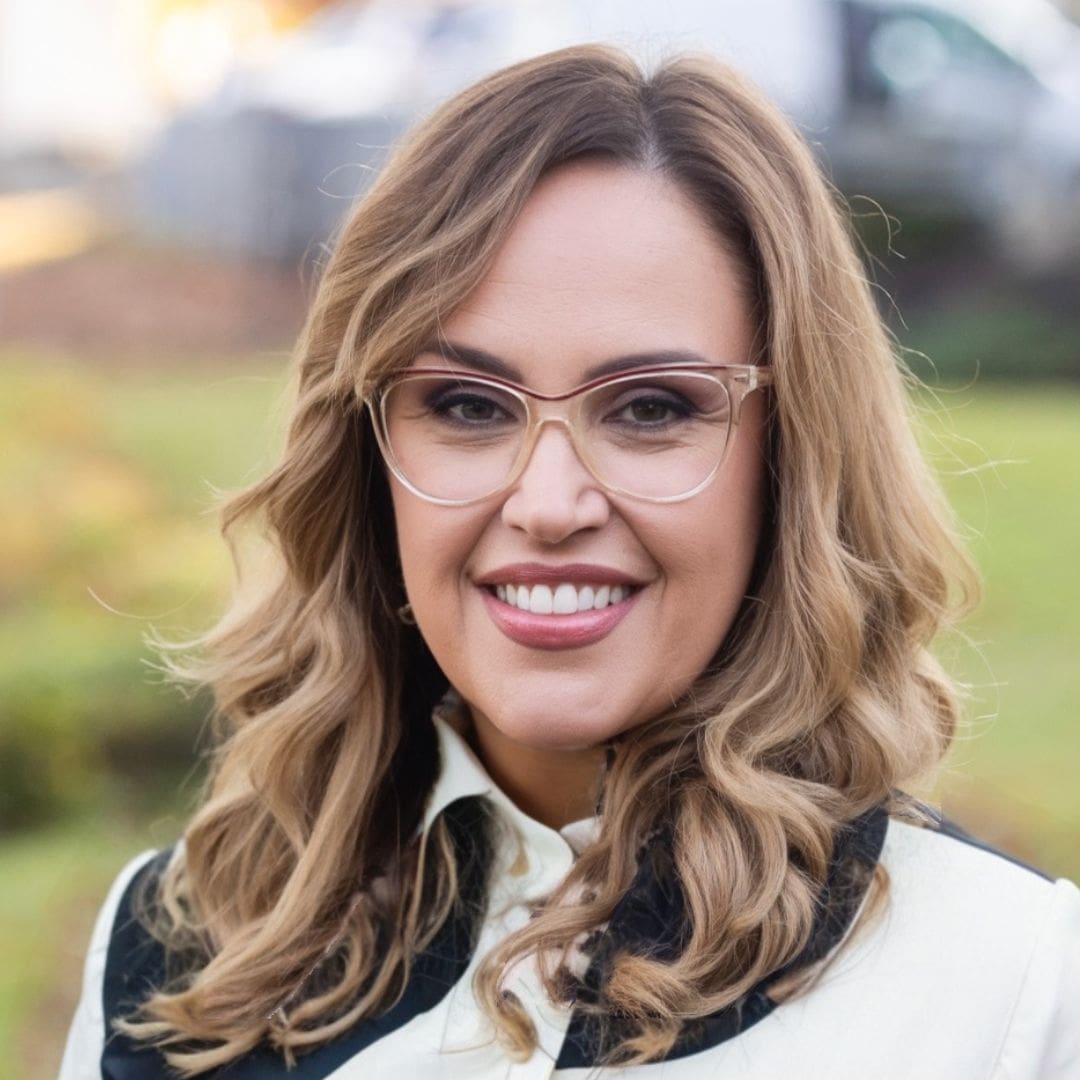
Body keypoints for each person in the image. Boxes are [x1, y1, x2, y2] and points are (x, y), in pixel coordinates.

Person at [61, 44, 1079, 1079]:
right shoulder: (170, 956)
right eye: (465, 405)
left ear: (792, 455)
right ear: (368, 461)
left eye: (650, 408)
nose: (549, 506)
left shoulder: (1012, 983)